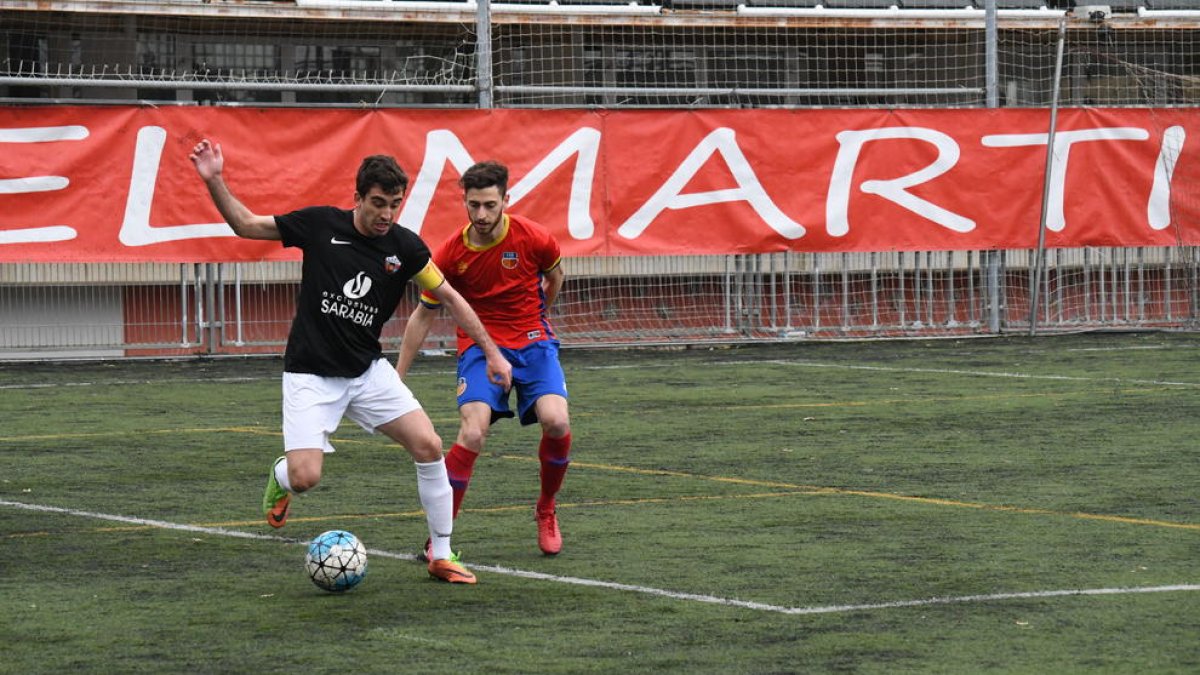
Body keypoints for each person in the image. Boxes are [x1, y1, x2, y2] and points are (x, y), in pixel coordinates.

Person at [188, 139, 512, 585]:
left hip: (366, 372)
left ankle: (441, 552)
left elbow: (451, 299)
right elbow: (246, 225)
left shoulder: (406, 249)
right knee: (306, 478)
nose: (386, 215)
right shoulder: (320, 225)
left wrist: (492, 352)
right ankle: (281, 476)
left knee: (430, 446)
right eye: (378, 203)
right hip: (309, 375)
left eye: (394, 205)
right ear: (357, 198)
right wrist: (214, 180)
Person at [396, 160, 572, 558]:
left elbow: (556, 277)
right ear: (464, 201)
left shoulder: (535, 238)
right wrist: (398, 376)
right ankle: (441, 537)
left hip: (532, 341)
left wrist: (538, 322)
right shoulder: (449, 254)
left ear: (506, 200)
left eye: (490, 205)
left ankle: (546, 507)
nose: (481, 214)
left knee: (557, 421)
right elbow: (423, 313)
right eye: (473, 205)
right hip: (479, 347)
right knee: (472, 433)